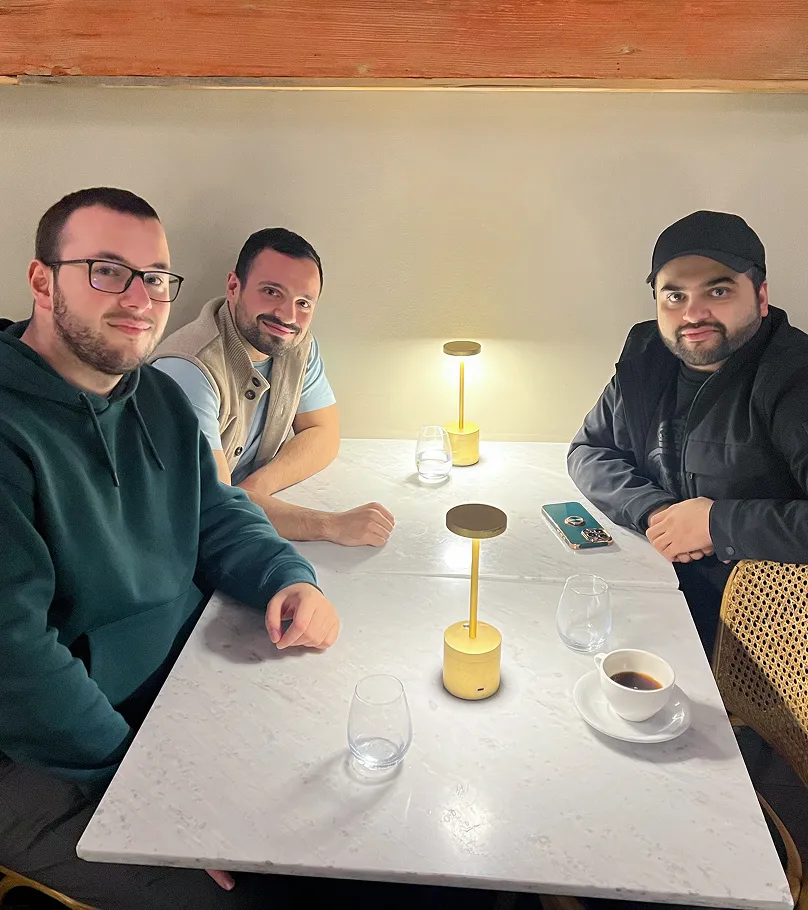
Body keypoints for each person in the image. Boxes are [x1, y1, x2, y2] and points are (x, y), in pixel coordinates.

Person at [0, 187, 341, 909]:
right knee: (253, 896)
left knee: (341, 821)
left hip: (177, 696)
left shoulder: (150, 395)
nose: (139, 297)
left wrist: (287, 576)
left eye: (154, 277)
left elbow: (218, 513)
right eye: (106, 270)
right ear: (41, 280)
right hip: (50, 754)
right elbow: (17, 661)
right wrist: (143, 782)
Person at [568, 210, 808, 654]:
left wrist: (717, 523)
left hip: (765, 634)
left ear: (761, 296)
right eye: (674, 296)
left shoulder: (794, 378)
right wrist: (655, 512)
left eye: (717, 290)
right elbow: (589, 450)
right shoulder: (647, 358)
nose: (693, 314)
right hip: (653, 588)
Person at [151, 228, 395, 548]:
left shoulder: (296, 345)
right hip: (181, 543)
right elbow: (216, 505)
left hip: (241, 525)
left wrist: (256, 486)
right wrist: (329, 526)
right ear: (233, 287)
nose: (288, 315)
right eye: (271, 292)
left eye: (304, 302)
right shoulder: (186, 369)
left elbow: (323, 432)